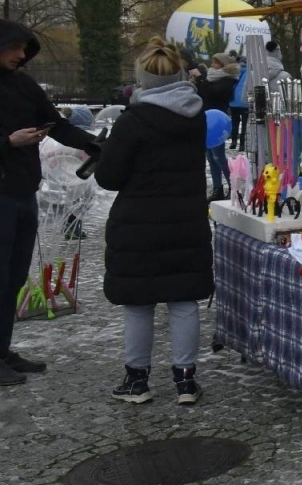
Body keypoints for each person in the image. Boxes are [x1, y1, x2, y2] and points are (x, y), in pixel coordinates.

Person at [96, 38, 213, 404]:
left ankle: (137, 380)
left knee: (139, 303)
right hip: (186, 221)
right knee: (184, 302)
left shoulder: (133, 121)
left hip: (139, 223)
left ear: (142, 80)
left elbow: (109, 178)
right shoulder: (196, 117)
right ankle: (186, 381)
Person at [0, 20, 102, 385]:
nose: (21, 54)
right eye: (14, 47)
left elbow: (55, 124)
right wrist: (9, 142)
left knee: (12, 277)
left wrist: (92, 144)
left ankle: (3, 349)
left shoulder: (24, 85)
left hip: (23, 191)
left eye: (25, 48)